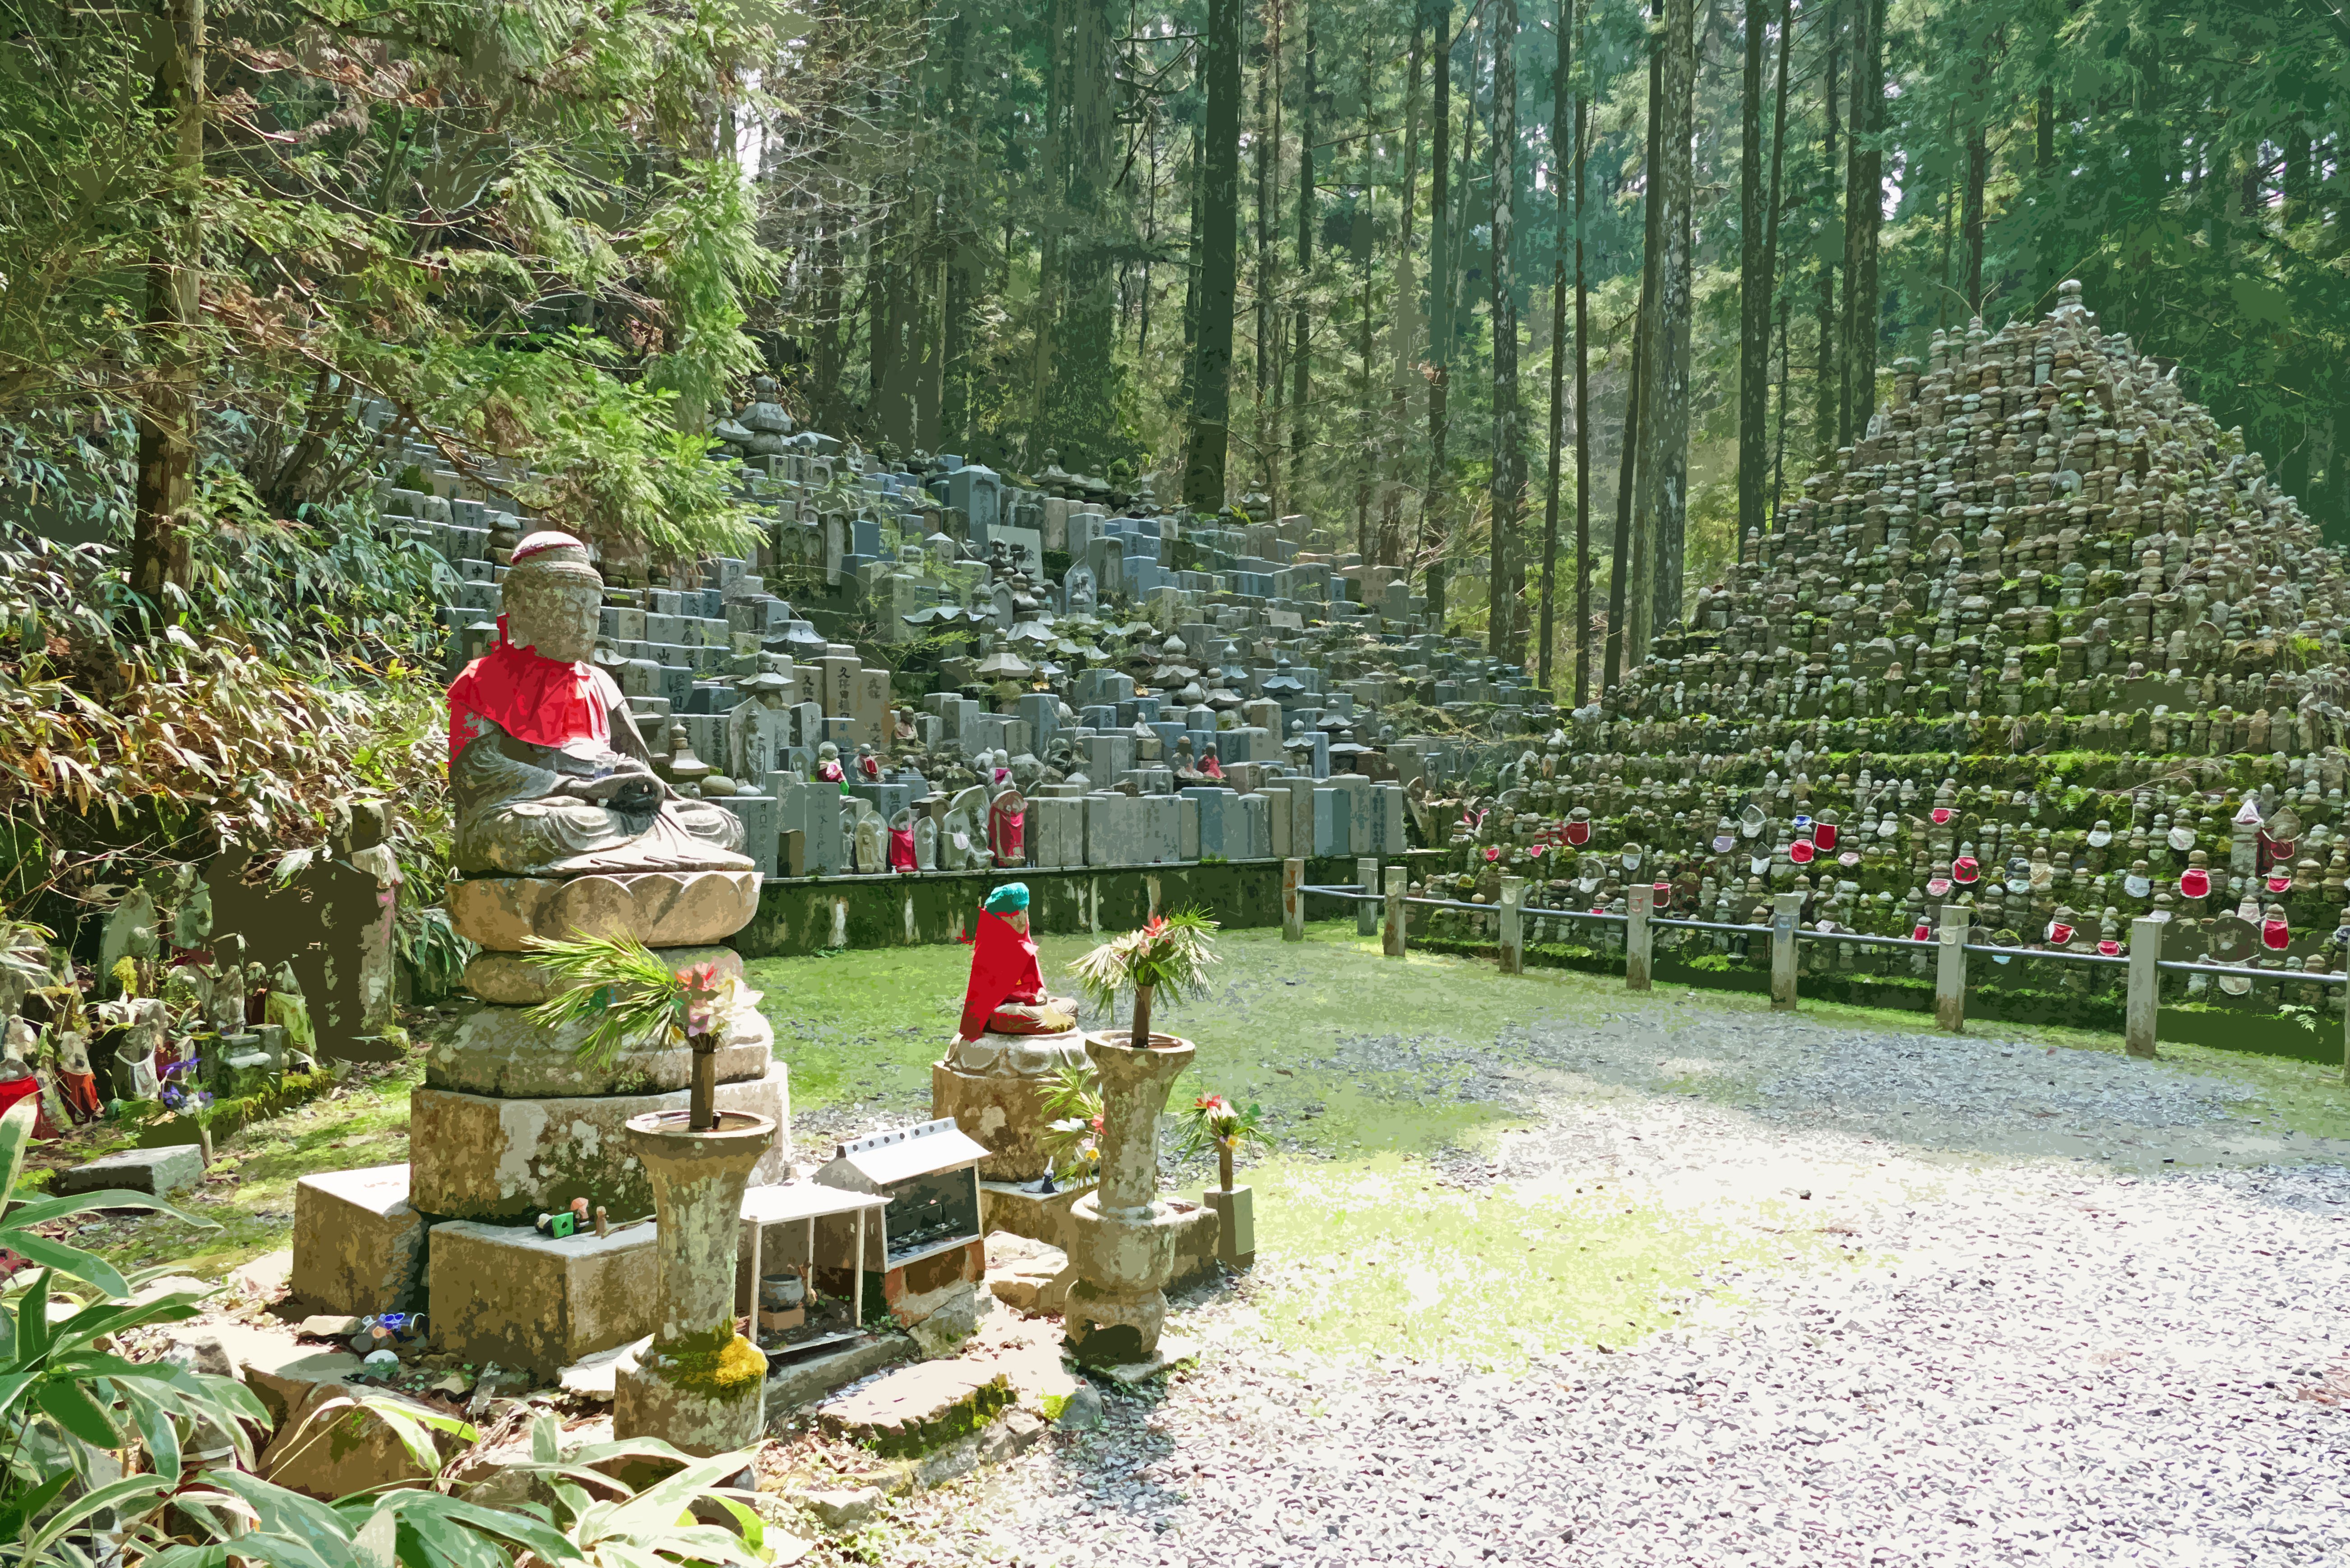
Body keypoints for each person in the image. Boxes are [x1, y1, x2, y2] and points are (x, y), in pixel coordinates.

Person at [956, 883, 1077, 1040]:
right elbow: (989, 999)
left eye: (1025, 912)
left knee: (1071, 1006)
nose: (1022, 920)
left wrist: (1040, 994)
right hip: (1000, 1010)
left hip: (1029, 1005)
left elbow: (1037, 985)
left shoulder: (1025, 946)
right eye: (1013, 915)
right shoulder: (990, 948)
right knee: (1021, 1017)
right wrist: (1025, 999)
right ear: (999, 919)